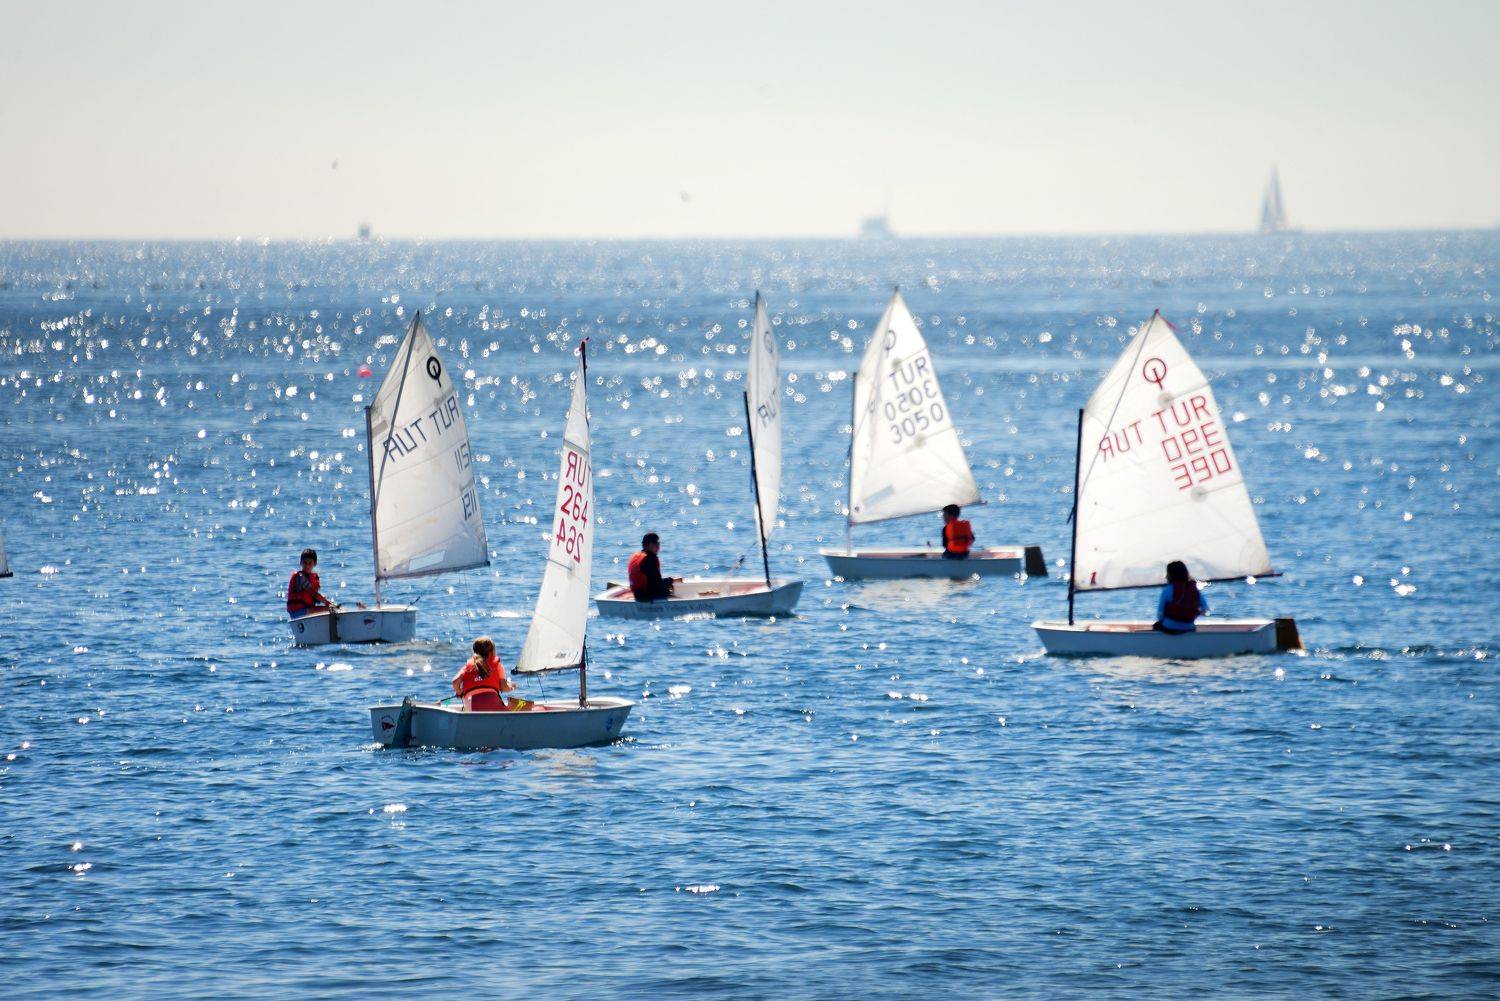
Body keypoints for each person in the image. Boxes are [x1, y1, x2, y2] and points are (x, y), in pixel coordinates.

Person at [451, 636, 535, 711]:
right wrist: (511, 686)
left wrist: (459, 692)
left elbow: (455, 682)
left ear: (474, 651)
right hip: (492, 703)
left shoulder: (468, 666)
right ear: (492, 652)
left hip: (471, 705)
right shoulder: (497, 665)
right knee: (517, 710)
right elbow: (504, 688)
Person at [1153, 560, 1209, 634]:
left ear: (1170, 575)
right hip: (1189, 627)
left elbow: (1160, 615)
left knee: (1156, 625)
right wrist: (1193, 614)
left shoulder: (1167, 589)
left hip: (1170, 628)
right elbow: (1206, 610)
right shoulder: (1194, 590)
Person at [627, 532, 679, 602]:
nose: (658, 547)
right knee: (674, 596)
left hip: (637, 595)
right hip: (647, 598)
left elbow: (652, 580)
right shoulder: (650, 559)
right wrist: (669, 590)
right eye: (657, 544)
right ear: (650, 545)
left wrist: (670, 580)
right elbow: (657, 585)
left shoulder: (638, 556)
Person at [286, 548, 337, 618]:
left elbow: (315, 598)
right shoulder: (299, 576)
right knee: (331, 609)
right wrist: (327, 602)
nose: (307, 566)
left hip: (306, 610)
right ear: (300, 563)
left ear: (315, 564)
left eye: (310, 563)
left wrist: (327, 601)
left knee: (330, 607)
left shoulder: (313, 578)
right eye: (305, 563)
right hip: (297, 612)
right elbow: (313, 593)